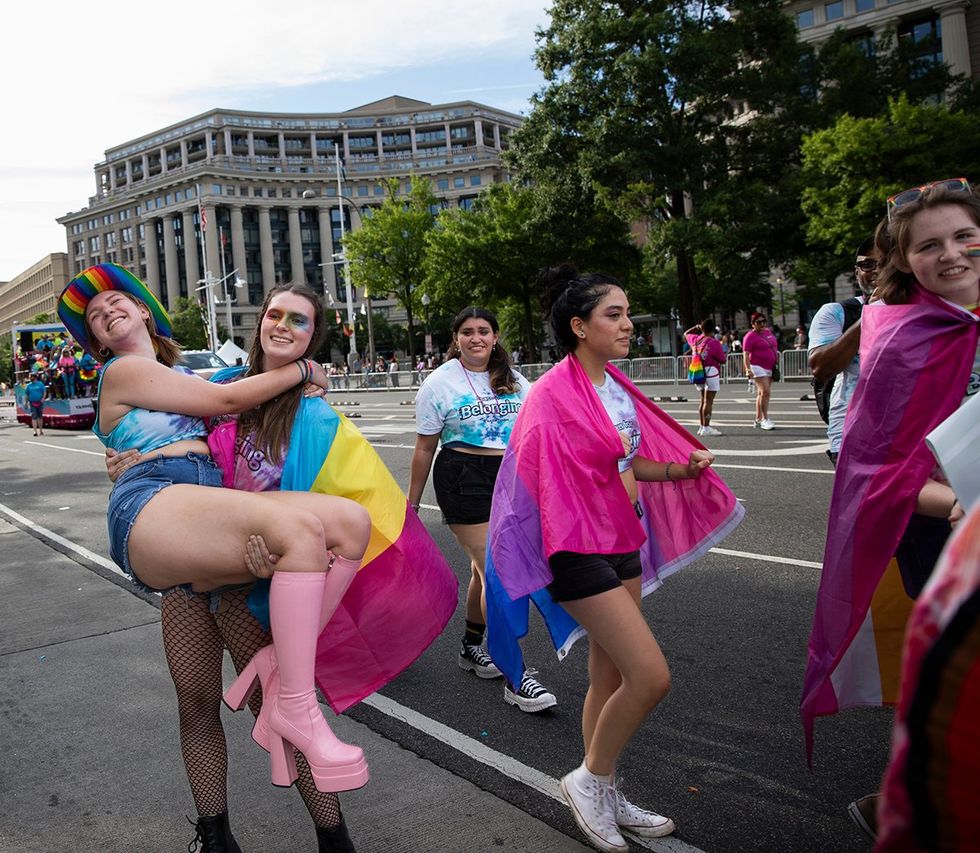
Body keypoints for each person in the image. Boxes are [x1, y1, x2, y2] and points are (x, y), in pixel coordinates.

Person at [57, 264, 374, 808]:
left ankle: (286, 690)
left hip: (223, 529)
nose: (108, 311)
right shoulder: (127, 372)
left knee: (348, 524)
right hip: (160, 507)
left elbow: (231, 392)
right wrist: (303, 370)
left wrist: (303, 373)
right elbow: (228, 403)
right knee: (197, 701)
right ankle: (219, 825)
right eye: (95, 316)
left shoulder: (208, 383)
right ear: (96, 340)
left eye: (118, 302)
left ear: (143, 312)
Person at [484, 265, 744, 852]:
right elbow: (529, 483)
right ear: (579, 326)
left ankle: (603, 783)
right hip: (577, 551)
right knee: (650, 677)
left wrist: (678, 469)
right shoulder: (551, 395)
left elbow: (626, 464)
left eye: (627, 313)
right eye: (614, 315)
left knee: (608, 677)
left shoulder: (616, 387)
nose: (628, 324)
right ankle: (589, 778)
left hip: (623, 540)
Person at [801, 179, 980, 841]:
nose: (953, 253)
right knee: (956, 675)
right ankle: (913, 798)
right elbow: (883, 462)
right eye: (930, 245)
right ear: (905, 259)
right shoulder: (900, 332)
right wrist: (956, 500)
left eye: (965, 236)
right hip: (940, 526)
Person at [408, 306, 556, 713]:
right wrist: (413, 503)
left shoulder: (516, 380)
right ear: (455, 339)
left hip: (510, 478)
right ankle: (515, 675)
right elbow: (424, 448)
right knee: (502, 570)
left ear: (495, 336)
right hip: (463, 476)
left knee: (484, 571)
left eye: (484, 331)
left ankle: (473, 646)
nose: (476, 338)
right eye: (468, 332)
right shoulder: (439, 384)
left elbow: (538, 434)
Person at [808, 237, 879, 466]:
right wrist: (870, 314)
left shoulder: (918, 310)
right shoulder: (836, 313)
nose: (876, 270)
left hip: (911, 432)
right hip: (853, 435)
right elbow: (821, 367)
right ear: (857, 272)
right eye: (868, 264)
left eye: (885, 263)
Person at [683, 318, 726, 437]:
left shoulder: (695, 339)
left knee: (702, 400)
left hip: (698, 371)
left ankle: (702, 426)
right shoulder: (714, 342)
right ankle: (706, 427)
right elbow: (722, 360)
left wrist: (696, 328)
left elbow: (686, 333)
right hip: (711, 372)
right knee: (709, 401)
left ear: (702, 328)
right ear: (713, 330)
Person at [742, 313, 778, 429]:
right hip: (757, 366)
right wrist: (747, 369)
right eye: (759, 322)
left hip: (770, 366)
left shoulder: (768, 332)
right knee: (765, 391)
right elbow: (746, 354)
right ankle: (764, 419)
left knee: (761, 393)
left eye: (764, 321)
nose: (762, 324)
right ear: (753, 324)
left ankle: (758, 419)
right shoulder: (749, 336)